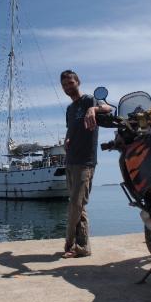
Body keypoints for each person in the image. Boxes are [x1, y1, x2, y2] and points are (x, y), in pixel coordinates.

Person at [60, 70, 111, 258]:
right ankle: (83, 248)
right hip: (71, 161)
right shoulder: (69, 109)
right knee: (78, 206)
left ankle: (69, 244)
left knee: (75, 203)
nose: (68, 87)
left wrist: (93, 109)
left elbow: (109, 108)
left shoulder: (89, 100)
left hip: (86, 161)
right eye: (64, 85)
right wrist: (66, 140)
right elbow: (70, 129)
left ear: (78, 82)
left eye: (70, 83)